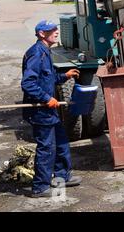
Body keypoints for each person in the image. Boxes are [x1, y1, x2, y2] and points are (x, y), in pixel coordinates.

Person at [21, 20, 82, 198]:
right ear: (42, 34)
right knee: (47, 147)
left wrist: (64, 76)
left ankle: (62, 176)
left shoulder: (46, 51)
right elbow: (28, 83)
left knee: (62, 142)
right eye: (52, 30)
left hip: (49, 111)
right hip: (40, 110)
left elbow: (48, 78)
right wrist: (47, 98)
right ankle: (40, 187)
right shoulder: (36, 53)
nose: (56, 32)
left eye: (56, 29)